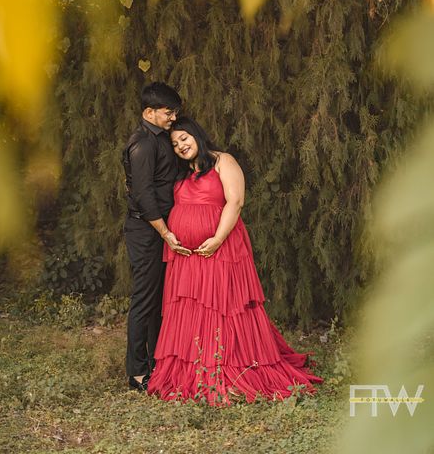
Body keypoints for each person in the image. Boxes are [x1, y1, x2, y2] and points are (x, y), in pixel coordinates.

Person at [147, 116, 324, 405]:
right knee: (192, 311)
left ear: (196, 135)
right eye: (175, 143)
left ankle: (229, 370)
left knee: (222, 308)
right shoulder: (182, 174)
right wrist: (171, 236)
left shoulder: (223, 161)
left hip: (221, 250)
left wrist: (217, 238)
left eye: (184, 138)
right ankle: (194, 369)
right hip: (187, 257)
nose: (180, 146)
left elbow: (236, 201)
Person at [122, 82, 192, 392]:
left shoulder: (162, 138)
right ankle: (137, 372)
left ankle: (157, 363)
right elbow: (143, 195)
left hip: (162, 230)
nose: (173, 118)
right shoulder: (142, 144)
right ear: (149, 112)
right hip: (147, 230)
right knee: (145, 300)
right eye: (168, 112)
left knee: (160, 300)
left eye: (175, 112)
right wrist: (165, 233)